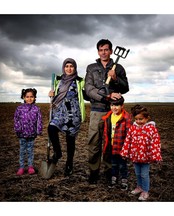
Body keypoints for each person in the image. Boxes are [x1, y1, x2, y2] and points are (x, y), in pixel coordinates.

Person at [85, 39, 129, 184]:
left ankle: (110, 171)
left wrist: (116, 78)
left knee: (111, 142)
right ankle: (93, 171)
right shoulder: (91, 68)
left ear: (111, 51)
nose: (103, 52)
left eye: (106, 49)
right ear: (98, 51)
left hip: (113, 111)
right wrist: (106, 96)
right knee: (94, 142)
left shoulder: (119, 67)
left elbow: (125, 88)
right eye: (101, 50)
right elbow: (89, 89)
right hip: (97, 110)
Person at [48, 58, 86, 176]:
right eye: (67, 66)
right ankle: (58, 152)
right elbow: (56, 93)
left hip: (74, 113)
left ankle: (69, 164)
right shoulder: (58, 79)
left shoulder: (80, 81)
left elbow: (86, 93)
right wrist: (51, 93)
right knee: (51, 128)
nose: (69, 69)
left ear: (75, 68)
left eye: (71, 66)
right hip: (60, 111)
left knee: (70, 139)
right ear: (63, 68)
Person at [120, 105, 162, 201]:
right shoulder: (133, 128)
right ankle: (139, 187)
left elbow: (155, 143)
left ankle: (145, 191)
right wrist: (125, 153)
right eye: (136, 119)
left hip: (146, 157)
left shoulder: (151, 129)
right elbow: (128, 141)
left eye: (141, 119)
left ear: (147, 118)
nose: (138, 121)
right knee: (137, 174)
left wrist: (156, 156)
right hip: (135, 156)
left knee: (144, 174)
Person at [102, 96, 131, 190]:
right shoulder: (108, 116)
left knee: (123, 165)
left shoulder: (126, 118)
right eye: (112, 105)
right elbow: (107, 132)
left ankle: (124, 180)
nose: (114, 107)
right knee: (113, 164)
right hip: (112, 146)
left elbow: (129, 134)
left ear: (122, 106)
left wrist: (127, 148)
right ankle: (113, 179)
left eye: (117, 105)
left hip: (122, 146)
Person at [14, 88, 43, 176]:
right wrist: (18, 130)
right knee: (22, 151)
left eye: (31, 97)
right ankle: (21, 167)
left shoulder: (36, 109)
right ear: (23, 97)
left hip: (32, 134)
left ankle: (30, 167)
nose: (29, 98)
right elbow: (16, 120)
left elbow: (39, 120)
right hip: (22, 134)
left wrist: (38, 130)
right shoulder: (19, 109)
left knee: (30, 151)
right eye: (27, 97)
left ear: (34, 98)